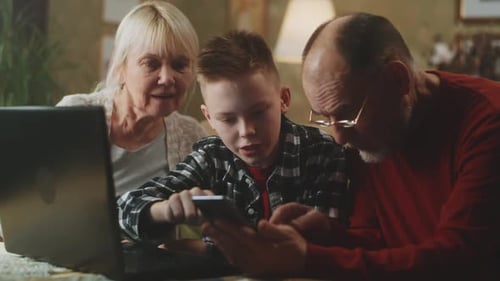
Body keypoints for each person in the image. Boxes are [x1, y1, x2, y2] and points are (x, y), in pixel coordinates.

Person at [201, 13, 500, 280]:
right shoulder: (373, 139)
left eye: (346, 114)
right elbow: (379, 242)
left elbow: (458, 259)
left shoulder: (487, 122)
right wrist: (327, 234)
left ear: (398, 81)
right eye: (324, 118)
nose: (339, 138)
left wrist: (307, 258)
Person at [117, 30, 349, 249]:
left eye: (258, 112)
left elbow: (322, 244)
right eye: (227, 119)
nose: (246, 131)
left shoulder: (323, 152)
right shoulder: (211, 157)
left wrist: (206, 252)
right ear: (210, 118)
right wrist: (165, 210)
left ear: (283, 99)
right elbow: (124, 207)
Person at [56, 1, 206, 197]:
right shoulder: (73, 115)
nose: (167, 78)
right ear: (121, 67)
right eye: (151, 64)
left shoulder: (191, 137)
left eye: (179, 65)